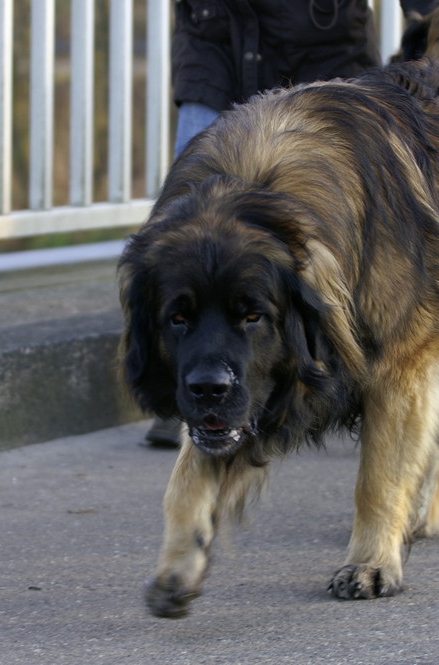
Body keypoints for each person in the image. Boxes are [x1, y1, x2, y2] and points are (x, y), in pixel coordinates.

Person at [144, 0, 382, 447]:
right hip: (215, 41)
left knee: (333, 255)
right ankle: (183, 393)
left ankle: (340, 380)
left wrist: (434, 15)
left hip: (322, 46)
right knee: (180, 234)